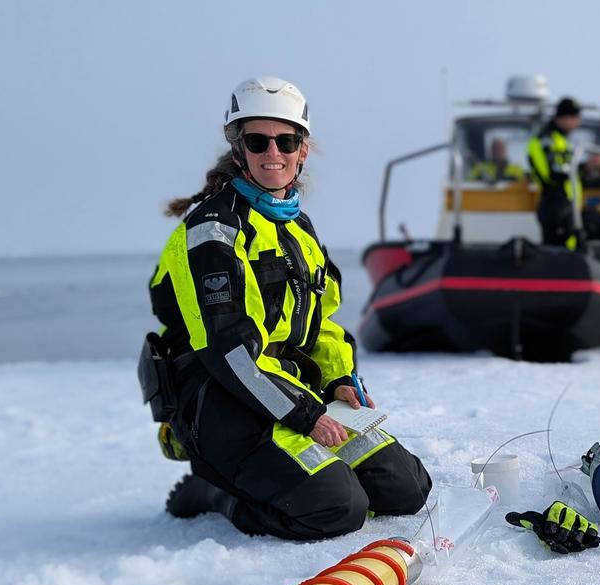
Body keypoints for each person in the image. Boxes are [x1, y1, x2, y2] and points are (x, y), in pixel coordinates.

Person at [148, 77, 433, 540]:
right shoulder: (212, 231)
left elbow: (321, 322)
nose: (272, 152)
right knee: (338, 508)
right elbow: (229, 353)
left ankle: (295, 469)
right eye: (257, 141)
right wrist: (307, 416)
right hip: (226, 404)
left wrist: (340, 380)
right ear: (239, 149)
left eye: (286, 140)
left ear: (303, 149)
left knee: (407, 488)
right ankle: (215, 490)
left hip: (286, 390)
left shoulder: (296, 225)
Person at [527, 97, 582, 248]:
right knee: (556, 250)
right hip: (554, 205)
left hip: (567, 204)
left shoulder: (562, 141)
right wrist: (584, 167)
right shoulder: (543, 141)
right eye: (575, 118)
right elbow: (550, 176)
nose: (577, 123)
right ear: (564, 118)